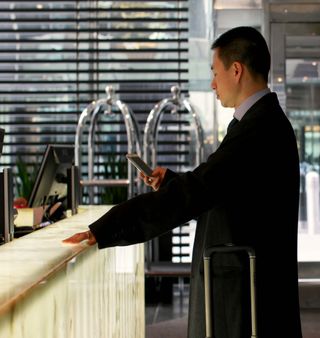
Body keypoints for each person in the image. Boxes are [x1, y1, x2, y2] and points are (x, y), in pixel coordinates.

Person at [63, 26, 302, 338]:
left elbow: (200, 190)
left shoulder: (259, 128)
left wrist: (107, 227)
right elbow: (227, 187)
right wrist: (172, 181)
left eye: (215, 73)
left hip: (247, 294)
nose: (213, 84)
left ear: (236, 70)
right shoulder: (259, 122)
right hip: (248, 283)